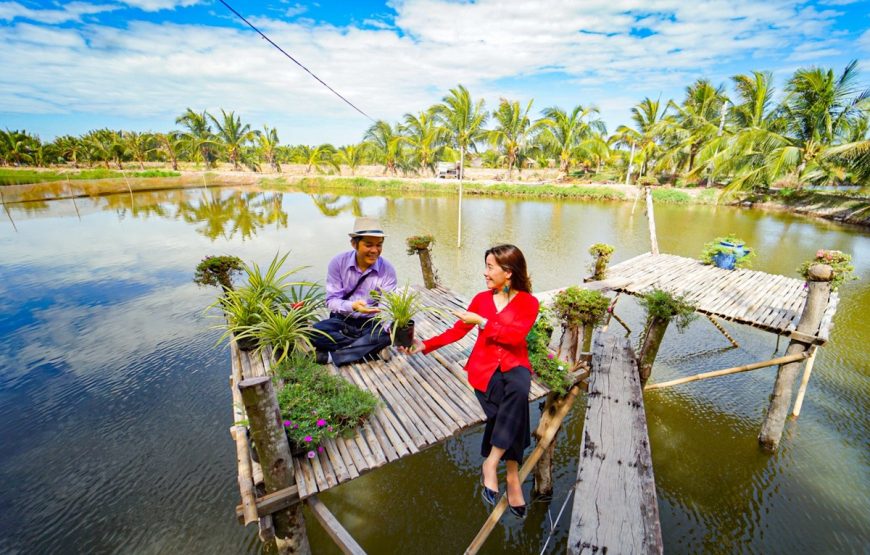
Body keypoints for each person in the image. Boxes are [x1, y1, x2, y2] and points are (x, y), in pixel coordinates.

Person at [403, 244, 538, 518]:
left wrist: (484, 323)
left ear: (508, 272)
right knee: (512, 410)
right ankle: (513, 475)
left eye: (490, 267)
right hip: (485, 368)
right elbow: (457, 331)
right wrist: (424, 345)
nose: (485, 273)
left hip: (515, 362)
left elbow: (514, 338)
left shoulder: (528, 302)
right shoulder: (480, 299)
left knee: (520, 388)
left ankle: (492, 463)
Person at [311, 217, 398, 366]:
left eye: (379, 245)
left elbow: (388, 308)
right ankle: (370, 349)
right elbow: (331, 301)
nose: (375, 250)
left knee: (388, 335)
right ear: (354, 244)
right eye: (369, 245)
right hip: (342, 320)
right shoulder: (338, 263)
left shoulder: (388, 270)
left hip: (371, 322)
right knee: (314, 333)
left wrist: (388, 327)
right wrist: (352, 306)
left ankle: (332, 357)